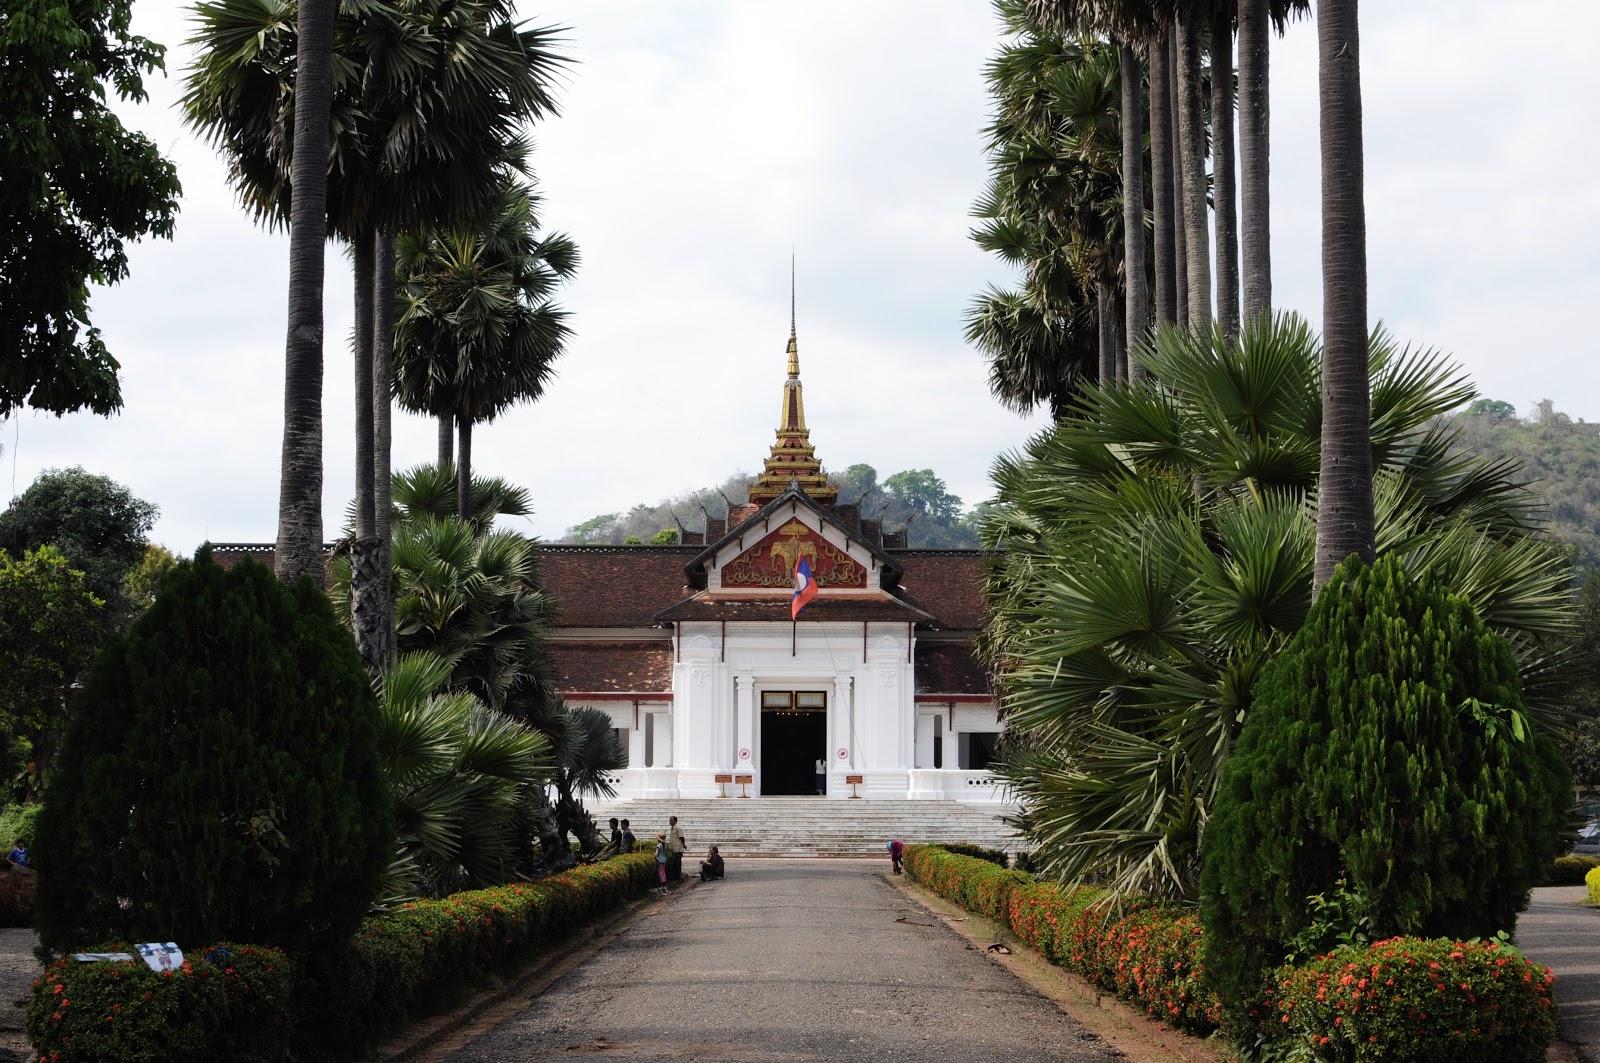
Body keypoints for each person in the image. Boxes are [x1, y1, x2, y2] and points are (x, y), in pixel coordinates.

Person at [666, 815, 687, 882]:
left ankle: (678, 877)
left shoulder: (678, 828)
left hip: (678, 849)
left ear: (675, 821)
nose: (670, 821)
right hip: (673, 848)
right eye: (670, 820)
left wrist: (683, 845)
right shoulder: (672, 828)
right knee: (674, 864)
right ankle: (674, 877)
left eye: (671, 820)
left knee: (677, 864)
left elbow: (682, 837)